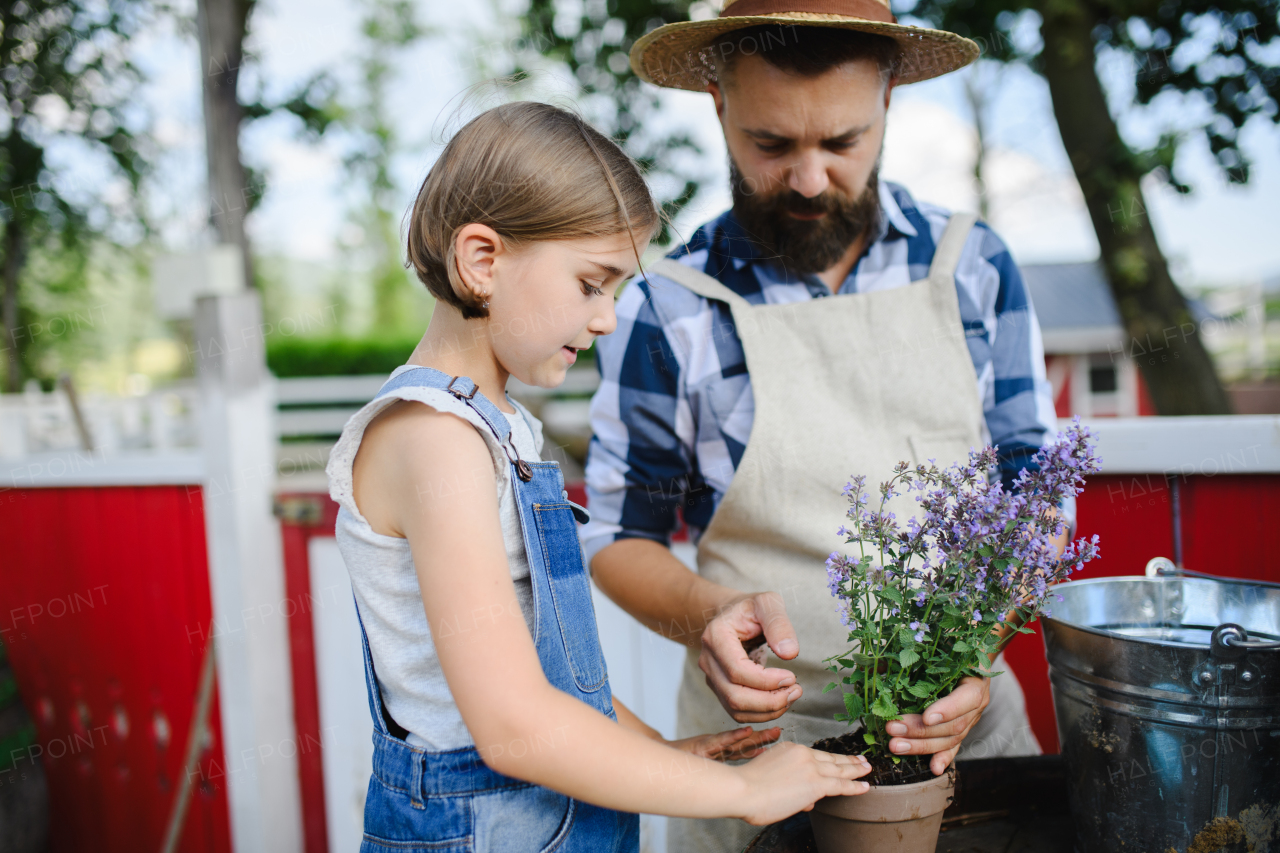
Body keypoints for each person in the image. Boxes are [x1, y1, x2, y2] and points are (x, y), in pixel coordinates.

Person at [325, 102, 873, 853]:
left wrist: (655, 751)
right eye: (592, 283)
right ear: (483, 260)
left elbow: (539, 670)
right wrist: (742, 790)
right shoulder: (434, 439)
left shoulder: (494, 424)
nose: (610, 318)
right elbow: (514, 727)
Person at [582, 5, 1069, 851]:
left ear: (890, 105)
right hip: (755, 770)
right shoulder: (669, 309)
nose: (808, 179)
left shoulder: (974, 268)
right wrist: (708, 614)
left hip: (965, 760)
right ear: (717, 105)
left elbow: (1036, 501)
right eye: (772, 145)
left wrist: (973, 655)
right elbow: (622, 538)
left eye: (842, 143)